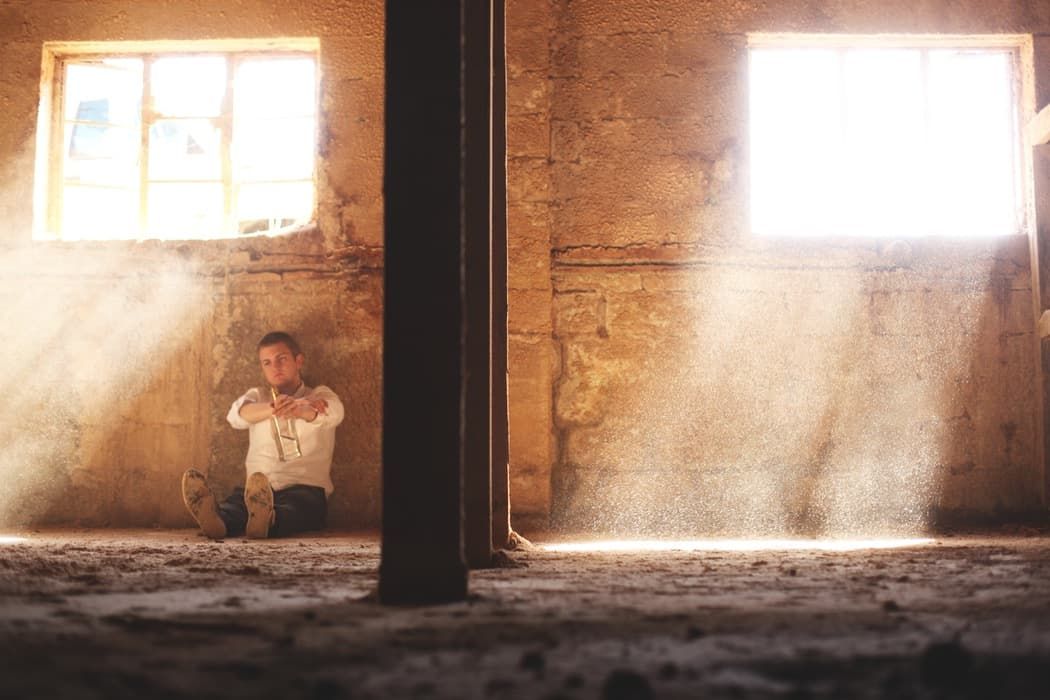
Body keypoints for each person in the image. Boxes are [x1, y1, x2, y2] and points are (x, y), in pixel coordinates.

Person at [181, 331, 344, 539]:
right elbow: (236, 415)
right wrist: (274, 407)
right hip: (256, 489)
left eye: (281, 359)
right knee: (236, 506)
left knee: (298, 509)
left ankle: (269, 519)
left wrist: (301, 409)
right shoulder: (258, 396)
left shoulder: (319, 395)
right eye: (267, 362)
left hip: (305, 489)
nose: (274, 367)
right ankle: (217, 521)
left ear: (298, 360)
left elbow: (336, 413)